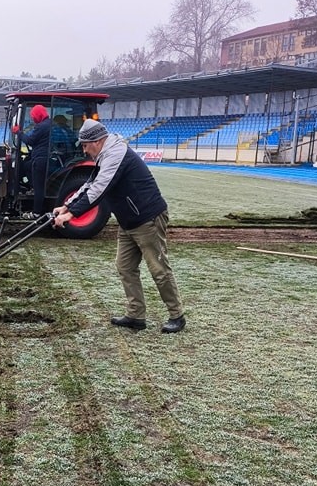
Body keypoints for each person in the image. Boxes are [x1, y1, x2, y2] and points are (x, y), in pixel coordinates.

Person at [53, 119, 186, 333]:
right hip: (128, 220)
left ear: (96, 141)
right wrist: (67, 206)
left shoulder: (116, 154)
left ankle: (177, 315)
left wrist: (72, 215)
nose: (85, 150)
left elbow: (99, 190)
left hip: (147, 217)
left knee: (158, 269)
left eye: (85, 145)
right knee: (125, 267)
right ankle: (136, 315)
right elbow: (90, 184)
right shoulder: (104, 155)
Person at [12, 104, 51, 218]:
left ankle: (37, 213)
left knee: (39, 188)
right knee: (27, 165)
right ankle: (30, 187)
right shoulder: (48, 124)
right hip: (41, 157)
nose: (33, 119)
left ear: (38, 115)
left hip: (41, 160)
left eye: (33, 116)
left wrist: (19, 133)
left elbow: (30, 140)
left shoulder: (42, 126)